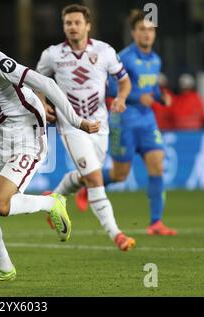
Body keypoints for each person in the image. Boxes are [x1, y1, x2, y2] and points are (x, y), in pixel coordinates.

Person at [0, 12, 99, 281]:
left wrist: (77, 120)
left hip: (27, 134)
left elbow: (45, 83)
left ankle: (51, 202)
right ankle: (4, 268)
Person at [36, 4, 135, 251]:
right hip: (72, 126)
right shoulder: (52, 54)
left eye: (77, 22)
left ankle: (54, 201)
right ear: (64, 26)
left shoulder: (105, 52)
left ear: (87, 25)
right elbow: (36, 82)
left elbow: (124, 81)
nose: (72, 27)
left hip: (100, 124)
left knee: (86, 176)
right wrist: (42, 102)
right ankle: (117, 234)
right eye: (68, 23)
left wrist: (121, 98)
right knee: (94, 178)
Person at [102, 10, 177, 235]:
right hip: (123, 121)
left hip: (147, 121)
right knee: (119, 175)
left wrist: (160, 96)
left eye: (150, 30)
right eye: (142, 30)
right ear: (133, 33)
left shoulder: (155, 59)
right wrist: (135, 97)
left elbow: (150, 88)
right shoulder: (123, 57)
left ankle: (156, 222)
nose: (147, 34)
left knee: (157, 165)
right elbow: (111, 87)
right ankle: (89, 184)